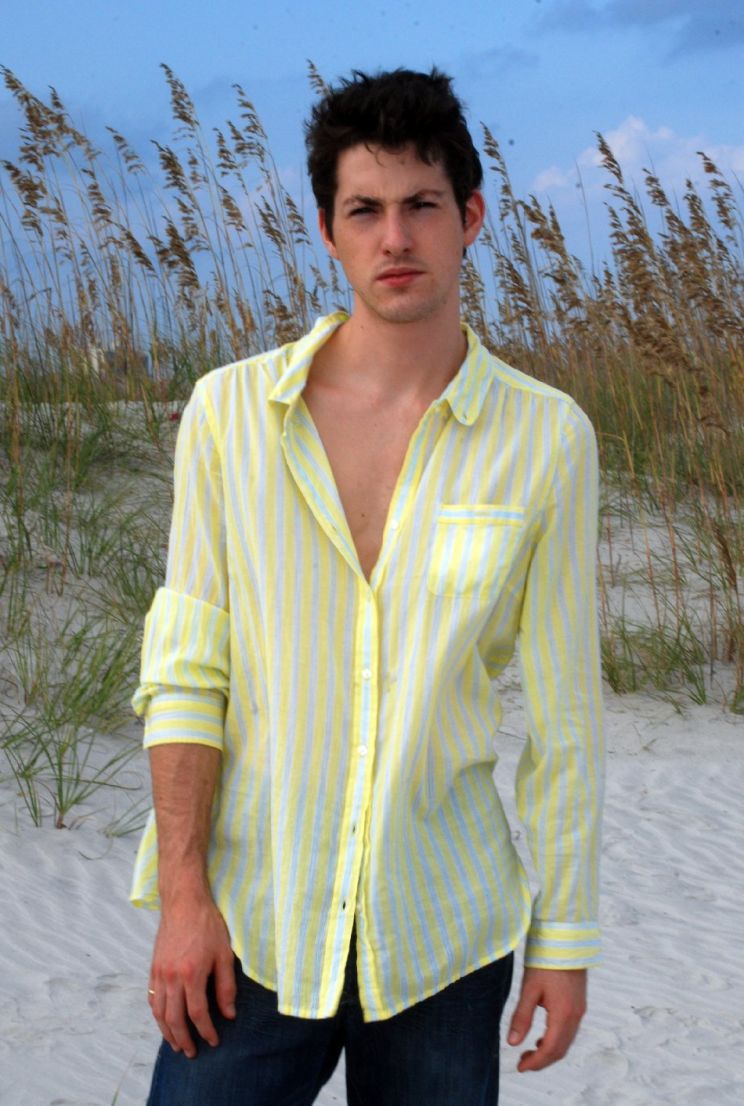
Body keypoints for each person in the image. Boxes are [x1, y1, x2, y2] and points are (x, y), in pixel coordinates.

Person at [130, 67, 605, 1105]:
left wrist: (564, 940)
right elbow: (187, 676)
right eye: (366, 210)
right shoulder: (229, 418)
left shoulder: (548, 439)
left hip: (443, 936)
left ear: (470, 217)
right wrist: (183, 899)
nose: (396, 238)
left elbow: (566, 718)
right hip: (253, 923)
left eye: (421, 205)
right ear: (327, 230)